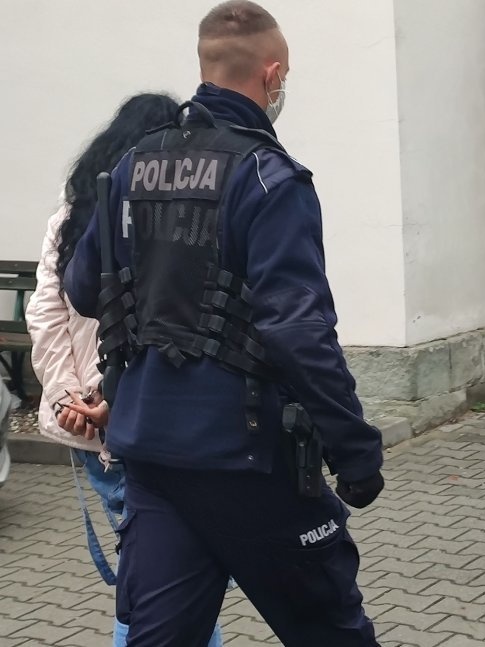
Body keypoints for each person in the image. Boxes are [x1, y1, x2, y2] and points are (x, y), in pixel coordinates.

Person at [60, 2, 384, 644]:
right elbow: (299, 331)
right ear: (272, 74)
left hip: (152, 458)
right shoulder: (269, 178)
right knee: (333, 632)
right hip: (248, 459)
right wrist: (355, 450)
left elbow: (83, 288)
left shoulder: (131, 166)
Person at [25, 93, 223, 646]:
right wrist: (76, 398)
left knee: (161, 573)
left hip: (114, 415)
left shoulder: (76, 216)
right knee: (165, 577)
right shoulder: (150, 217)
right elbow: (52, 310)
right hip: (137, 419)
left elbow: (48, 313)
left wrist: (71, 397)